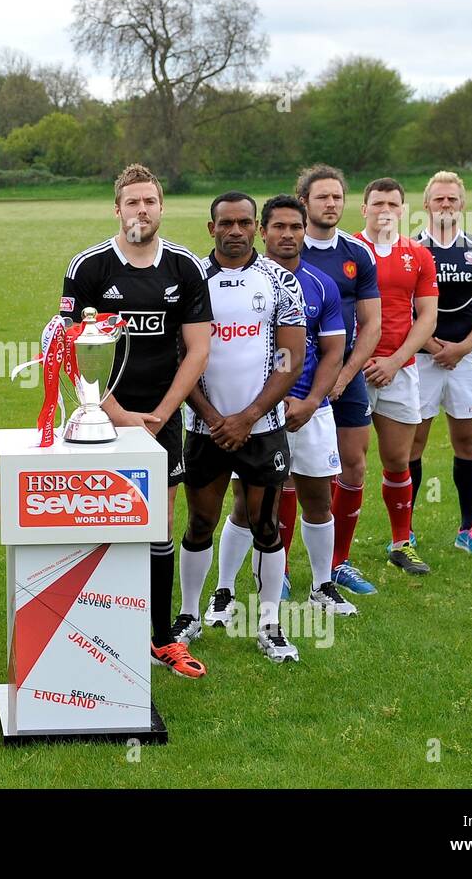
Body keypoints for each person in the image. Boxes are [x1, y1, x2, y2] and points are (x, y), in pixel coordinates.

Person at [61, 163, 211, 679]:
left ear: (161, 207)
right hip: (97, 414)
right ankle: (94, 631)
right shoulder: (89, 267)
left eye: (150, 201)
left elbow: (197, 349)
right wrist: (117, 415)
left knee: (157, 525)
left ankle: (162, 638)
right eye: (132, 202)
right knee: (99, 517)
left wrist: (161, 415)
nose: (141, 210)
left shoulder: (186, 268)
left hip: (162, 415)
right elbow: (67, 347)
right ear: (117, 209)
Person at [207, 195, 357, 626]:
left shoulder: (320, 284)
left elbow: (333, 352)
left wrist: (311, 401)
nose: (287, 235)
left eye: (295, 227)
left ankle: (322, 586)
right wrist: (259, 406)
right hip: (250, 414)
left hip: (309, 411)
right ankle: (224, 590)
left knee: (316, 499)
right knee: (245, 506)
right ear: (263, 230)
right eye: (279, 227)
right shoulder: (240, 280)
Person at [180, 192, 306, 663]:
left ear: (256, 228)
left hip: (264, 426)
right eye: (225, 222)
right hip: (203, 428)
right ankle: (189, 615)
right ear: (210, 227)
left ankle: (270, 625)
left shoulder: (279, 282)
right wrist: (215, 419)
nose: (235, 230)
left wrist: (249, 417)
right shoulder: (192, 277)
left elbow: (290, 360)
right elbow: (181, 357)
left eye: (243, 222)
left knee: (266, 525)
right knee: (199, 523)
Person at [295, 165, 383, 595]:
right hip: (295, 378)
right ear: (304, 202)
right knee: (290, 473)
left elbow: (372, 324)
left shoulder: (357, 253)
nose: (331, 204)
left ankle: (338, 562)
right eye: (322, 197)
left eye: (337, 197)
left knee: (354, 464)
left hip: (346, 377)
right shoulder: (289, 248)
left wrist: (345, 375)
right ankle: (279, 565)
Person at [412, 171, 472, 554]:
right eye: (439, 199)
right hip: (418, 358)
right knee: (410, 447)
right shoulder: (410, 249)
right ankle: (405, 532)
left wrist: (461, 348)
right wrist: (434, 347)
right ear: (426, 205)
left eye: (452, 199)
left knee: (467, 442)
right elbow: (401, 309)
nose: (446, 205)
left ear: (462, 204)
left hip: (466, 360)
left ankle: (469, 529)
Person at [353, 178, 438, 575]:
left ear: (403, 209)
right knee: (347, 465)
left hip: (399, 371)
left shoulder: (418, 255)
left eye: (392, 203)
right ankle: (337, 557)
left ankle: (401, 543)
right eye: (377, 203)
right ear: (364, 208)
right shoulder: (349, 249)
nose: (384, 209)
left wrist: (396, 359)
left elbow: (428, 317)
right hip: (352, 372)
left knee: (398, 460)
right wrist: (359, 361)